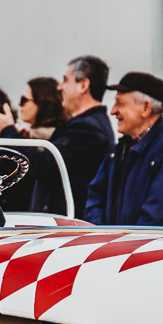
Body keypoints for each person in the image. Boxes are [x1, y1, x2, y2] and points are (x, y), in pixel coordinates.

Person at [84, 72, 163, 226]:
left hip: (153, 250)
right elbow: (95, 199)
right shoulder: (120, 150)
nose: (113, 111)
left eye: (120, 103)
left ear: (146, 108)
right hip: (120, 248)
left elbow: (162, 223)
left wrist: (120, 244)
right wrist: (103, 237)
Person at [43, 56, 115, 218]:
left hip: (67, 230)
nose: (60, 88)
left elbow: (46, 164)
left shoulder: (88, 128)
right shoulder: (89, 125)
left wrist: (8, 131)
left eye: (65, 80)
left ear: (83, 85)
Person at [0, 76, 68, 214]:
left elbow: (39, 166)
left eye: (24, 100)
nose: (19, 104)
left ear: (43, 102)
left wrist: (8, 130)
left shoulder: (48, 140)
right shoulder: (33, 136)